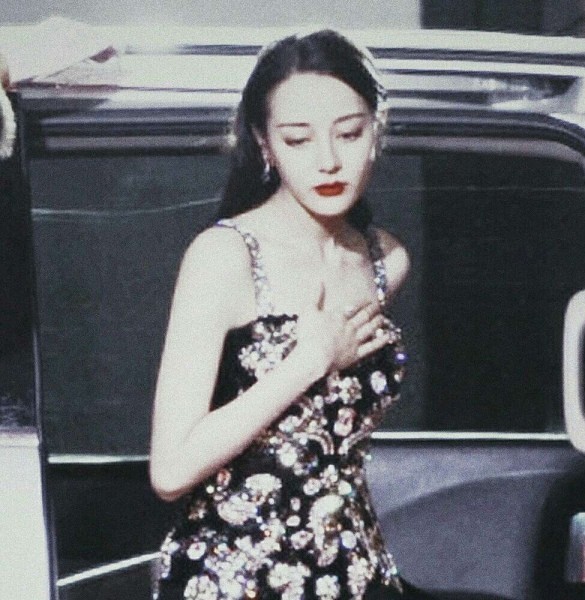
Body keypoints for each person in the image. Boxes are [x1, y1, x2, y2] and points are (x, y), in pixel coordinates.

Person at [150, 29, 429, 600]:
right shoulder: (223, 257)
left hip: (355, 570)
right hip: (236, 578)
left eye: (348, 133)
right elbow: (170, 471)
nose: (328, 161)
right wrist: (309, 361)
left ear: (377, 129)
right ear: (265, 143)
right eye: (298, 139)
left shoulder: (385, 260)